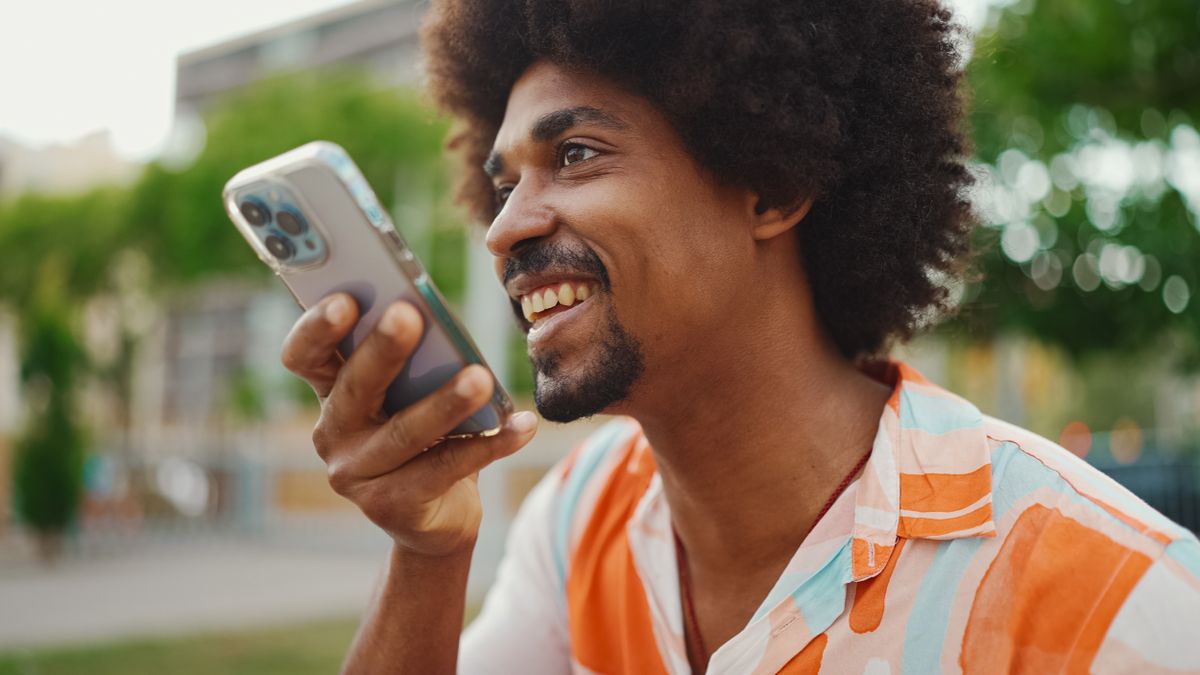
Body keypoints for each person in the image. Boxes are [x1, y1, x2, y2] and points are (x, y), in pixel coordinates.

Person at [280, 0, 1200, 672]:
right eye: (506, 178)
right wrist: (428, 555)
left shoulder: (1111, 595)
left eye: (574, 155)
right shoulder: (579, 521)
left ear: (769, 184)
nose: (505, 226)